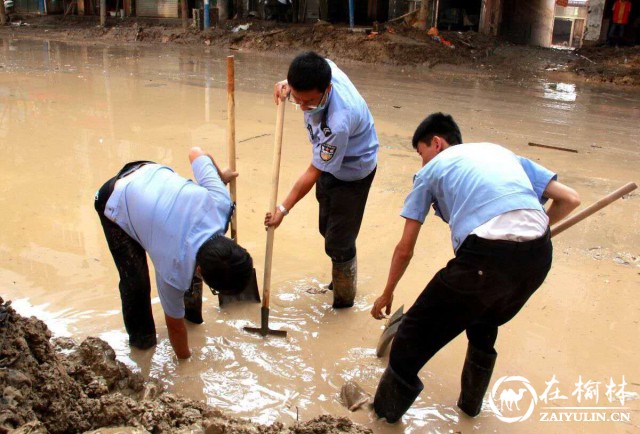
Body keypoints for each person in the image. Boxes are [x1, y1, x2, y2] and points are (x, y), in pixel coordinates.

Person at [370, 113, 581, 422]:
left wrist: (387, 292)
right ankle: (470, 411)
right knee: (483, 322)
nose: (421, 163)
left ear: (437, 143)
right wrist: (526, 242)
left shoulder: (431, 172)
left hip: (484, 256)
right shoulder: (500, 153)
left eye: (421, 153)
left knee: (410, 340)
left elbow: (405, 248)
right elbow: (570, 199)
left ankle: (381, 418)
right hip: (538, 257)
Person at [94, 147, 254, 359]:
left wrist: (218, 177)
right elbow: (175, 329)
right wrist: (187, 363)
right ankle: (142, 345)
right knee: (136, 281)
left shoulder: (221, 202)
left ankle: (193, 318)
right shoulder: (172, 270)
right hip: (116, 197)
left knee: (197, 267)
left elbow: (197, 152)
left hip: (151, 178)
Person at [264, 51, 379, 309]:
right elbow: (308, 73)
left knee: (339, 241)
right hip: (331, 165)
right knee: (326, 228)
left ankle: (344, 298)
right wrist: (286, 84)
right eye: (297, 98)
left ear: (327, 89)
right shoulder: (322, 69)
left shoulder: (338, 121)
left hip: (354, 171)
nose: (303, 106)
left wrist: (283, 209)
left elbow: (314, 171)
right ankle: (338, 272)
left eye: (309, 101)